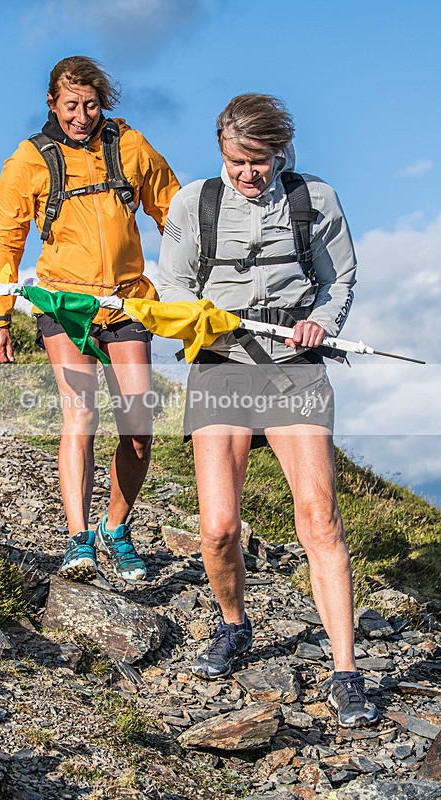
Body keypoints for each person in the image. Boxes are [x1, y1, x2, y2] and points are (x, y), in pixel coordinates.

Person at [158, 94, 379, 727]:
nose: (248, 173)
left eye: (260, 161)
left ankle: (345, 671)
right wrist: (199, 320)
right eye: (236, 161)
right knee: (219, 527)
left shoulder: (316, 199)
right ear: (221, 148)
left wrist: (321, 322)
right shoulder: (193, 203)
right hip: (220, 366)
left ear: (280, 152)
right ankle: (234, 626)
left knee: (320, 518)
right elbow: (170, 285)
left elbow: (340, 280)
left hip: (294, 369)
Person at [0, 56, 180, 582]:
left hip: (124, 302)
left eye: (91, 104)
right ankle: (77, 540)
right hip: (63, 304)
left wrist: (193, 289)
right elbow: (6, 241)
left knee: (139, 427)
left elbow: (178, 215)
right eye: (71, 105)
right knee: (82, 416)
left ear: (104, 103)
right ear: (52, 103)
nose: (82, 115)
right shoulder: (27, 161)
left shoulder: (129, 147)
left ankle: (114, 529)